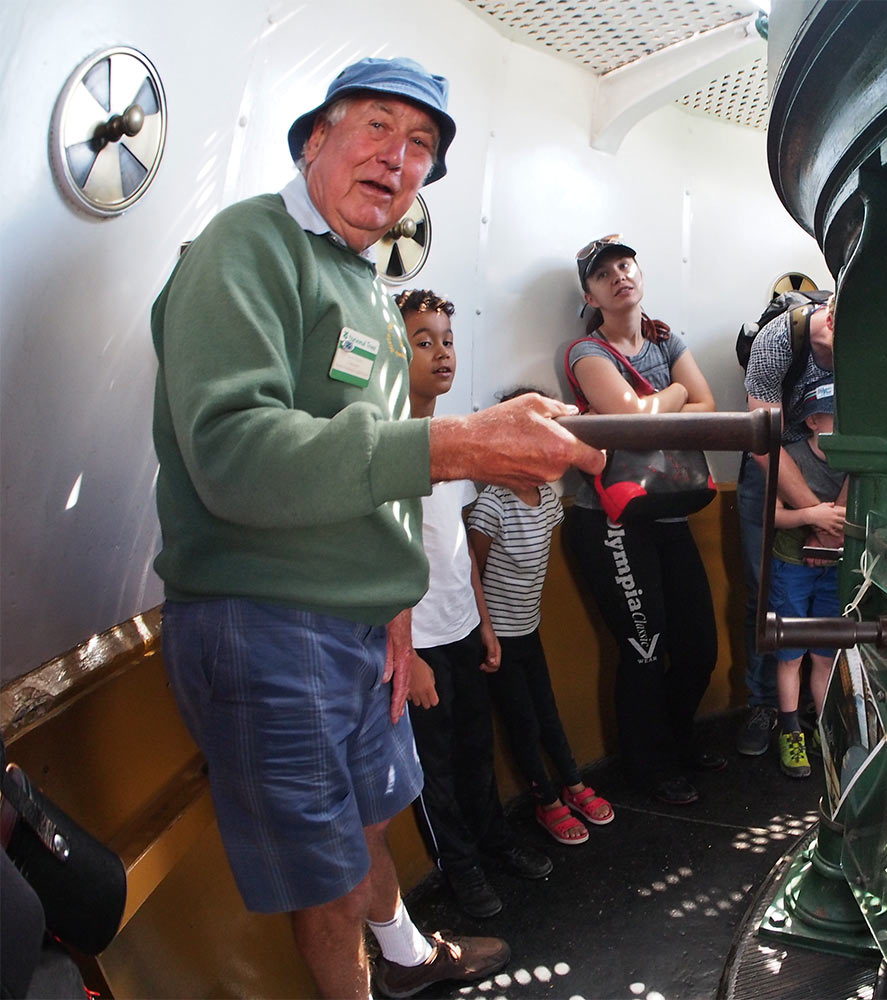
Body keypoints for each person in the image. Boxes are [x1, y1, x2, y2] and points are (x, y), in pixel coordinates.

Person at [150, 57, 603, 999]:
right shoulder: (247, 246)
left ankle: (405, 961)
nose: (400, 160)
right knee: (320, 878)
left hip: (358, 627)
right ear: (316, 138)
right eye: (378, 129)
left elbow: (377, 465)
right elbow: (232, 454)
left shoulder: (362, 284)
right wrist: (459, 444)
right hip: (265, 619)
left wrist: (395, 601)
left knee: (367, 821)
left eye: (423, 147)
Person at [392, 289, 555, 922]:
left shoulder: (457, 438)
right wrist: (410, 656)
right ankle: (459, 870)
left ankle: (495, 844)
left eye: (447, 340)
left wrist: (485, 623)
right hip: (419, 642)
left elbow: (458, 548)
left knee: (475, 750)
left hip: (461, 626)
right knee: (434, 769)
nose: (440, 353)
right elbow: (382, 559)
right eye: (422, 341)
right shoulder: (387, 443)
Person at [561, 235, 721, 807]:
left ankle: (676, 743)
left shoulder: (666, 338)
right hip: (609, 522)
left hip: (669, 511)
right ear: (590, 294)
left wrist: (664, 406)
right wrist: (676, 389)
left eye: (625, 265)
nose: (619, 276)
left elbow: (710, 411)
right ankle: (648, 768)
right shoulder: (586, 353)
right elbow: (632, 424)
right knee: (645, 647)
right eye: (604, 274)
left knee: (699, 646)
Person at [467, 389, 616, 848]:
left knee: (547, 711)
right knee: (523, 722)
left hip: (528, 629)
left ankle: (572, 784)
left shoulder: (548, 499)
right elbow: (474, 571)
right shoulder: (492, 503)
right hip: (498, 638)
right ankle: (545, 799)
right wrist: (488, 632)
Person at [739, 297, 837, 757]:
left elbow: (870, 455)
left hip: (838, 476)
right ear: (833, 318)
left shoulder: (876, 348)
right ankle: (771, 710)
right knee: (767, 597)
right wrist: (818, 522)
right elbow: (764, 442)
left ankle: (824, 718)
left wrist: (830, 521)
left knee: (830, 621)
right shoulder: (778, 341)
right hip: (777, 463)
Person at [767, 377, 846, 778]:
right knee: (791, 652)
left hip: (834, 570)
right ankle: (791, 729)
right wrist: (812, 517)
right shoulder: (792, 456)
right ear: (814, 420)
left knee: (825, 655)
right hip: (792, 567)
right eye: (837, 416)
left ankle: (827, 730)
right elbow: (775, 516)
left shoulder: (851, 459)